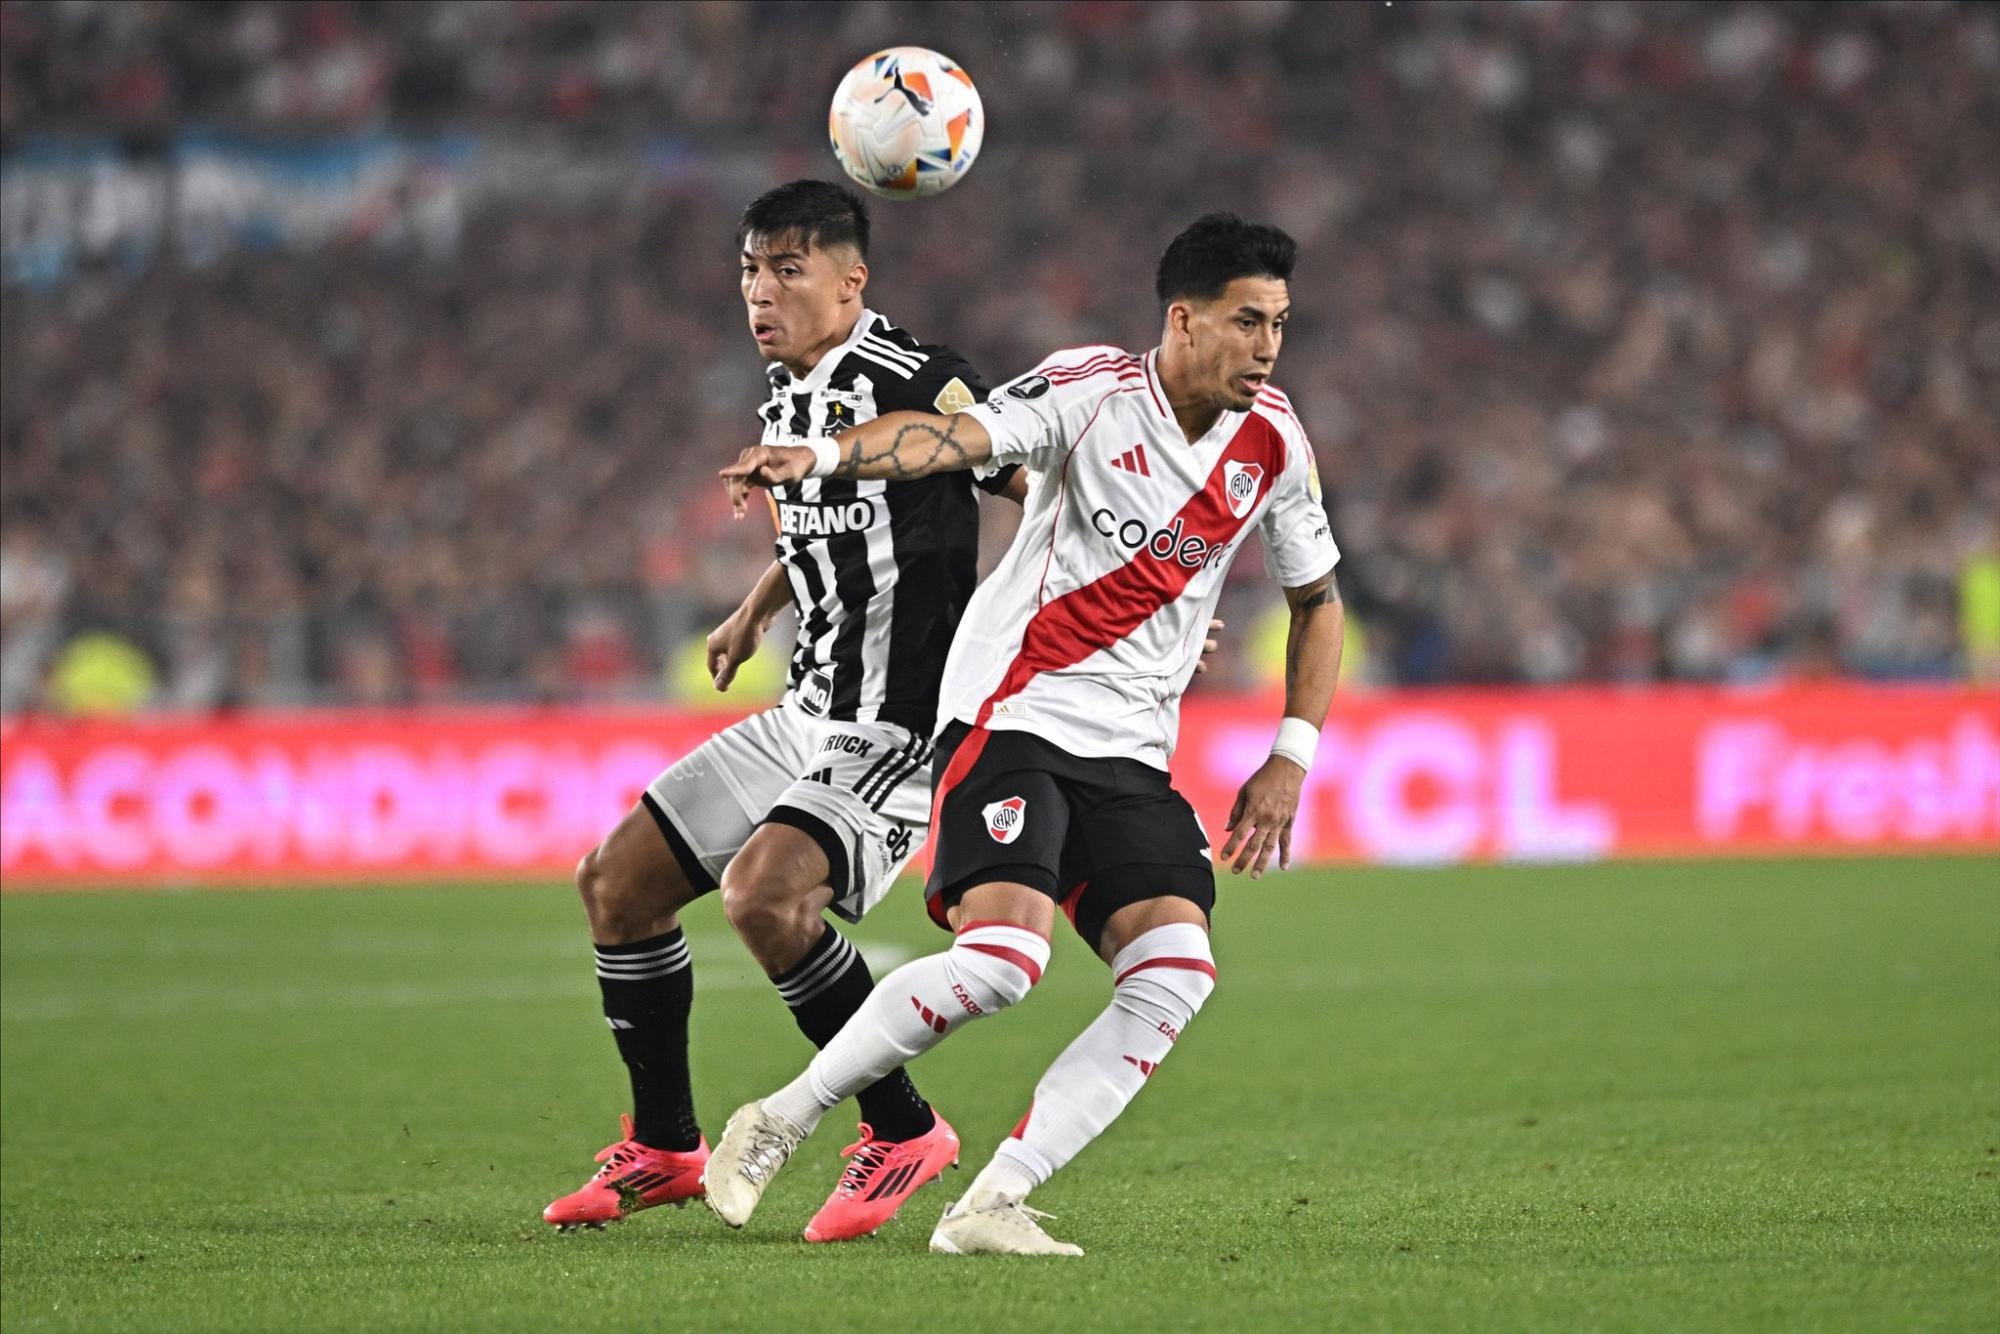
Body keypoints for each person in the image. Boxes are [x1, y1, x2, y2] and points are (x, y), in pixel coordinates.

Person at [705, 212, 1345, 1256]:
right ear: (1181, 320)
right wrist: (819, 455)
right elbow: (948, 439)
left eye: (1277, 322)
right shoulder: (1088, 392)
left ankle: (991, 1198)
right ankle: (781, 1115)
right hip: (1016, 712)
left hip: (1132, 749)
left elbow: (1316, 599)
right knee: (1004, 959)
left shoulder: (1274, 441)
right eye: (1245, 321)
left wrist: (1289, 754)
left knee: (1176, 971)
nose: (1268, 346)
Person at [544, 179, 1015, 1242]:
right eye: (751, 267)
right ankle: (665, 1144)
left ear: (852, 282)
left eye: (788, 269)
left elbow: (1031, 486)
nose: (760, 290)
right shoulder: (787, 396)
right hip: (805, 706)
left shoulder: (922, 379)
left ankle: (902, 1128)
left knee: (764, 896)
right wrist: (753, 605)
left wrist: (1108, 595)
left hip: (897, 722)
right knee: (615, 883)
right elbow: (828, 531)